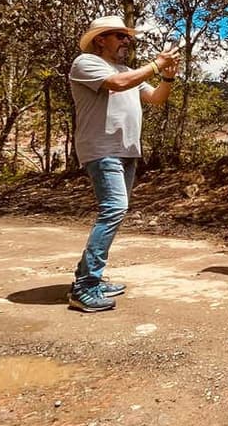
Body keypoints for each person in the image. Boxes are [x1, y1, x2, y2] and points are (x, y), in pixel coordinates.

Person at [67, 15, 181, 312]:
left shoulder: (129, 70)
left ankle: (87, 277)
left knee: (116, 210)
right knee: (114, 209)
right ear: (100, 39)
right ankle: (85, 287)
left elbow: (156, 98)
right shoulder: (86, 63)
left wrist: (166, 76)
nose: (126, 41)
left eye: (127, 36)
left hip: (127, 151)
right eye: (119, 35)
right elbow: (117, 84)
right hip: (102, 150)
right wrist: (156, 64)